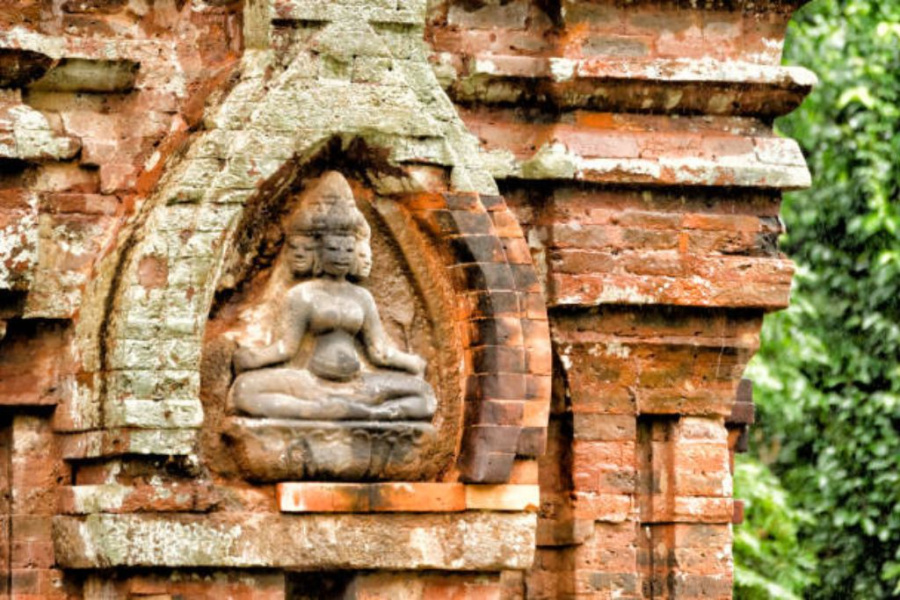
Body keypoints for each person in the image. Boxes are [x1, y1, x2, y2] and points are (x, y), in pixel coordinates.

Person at [229, 171, 436, 421]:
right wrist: (252, 359)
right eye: (333, 248)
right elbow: (285, 348)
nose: (342, 255)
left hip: (357, 384)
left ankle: (375, 412)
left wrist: (412, 362)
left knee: (424, 394)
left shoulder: (361, 297)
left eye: (349, 249)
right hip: (311, 383)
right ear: (317, 250)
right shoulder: (302, 294)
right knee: (244, 390)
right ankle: (325, 410)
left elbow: (379, 351)